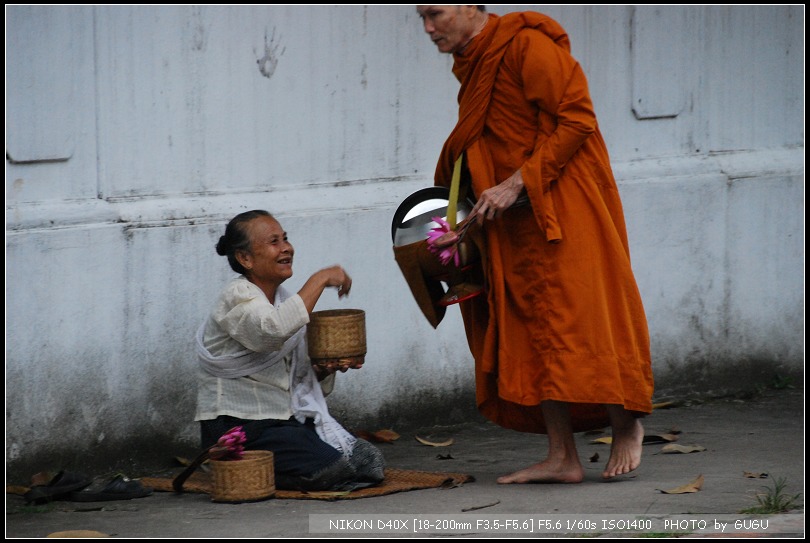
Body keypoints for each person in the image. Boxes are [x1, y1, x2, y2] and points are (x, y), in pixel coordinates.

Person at [414, 6, 654, 483]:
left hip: (561, 202)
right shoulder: (474, 60)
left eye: (435, 13)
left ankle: (626, 421)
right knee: (529, 325)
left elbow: (577, 118)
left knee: (583, 314)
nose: (428, 28)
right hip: (508, 216)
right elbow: (490, 132)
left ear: (469, 7)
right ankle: (562, 455)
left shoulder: (526, 44)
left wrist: (516, 183)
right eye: (420, 17)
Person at [194, 209, 385, 491]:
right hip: (237, 427)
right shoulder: (236, 296)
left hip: (284, 421)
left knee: (368, 461)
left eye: (285, 239)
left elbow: (293, 376)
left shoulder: (281, 300)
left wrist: (322, 370)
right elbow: (272, 331)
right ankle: (241, 467)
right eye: (274, 242)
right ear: (245, 258)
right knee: (330, 467)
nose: (286, 248)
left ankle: (271, 466)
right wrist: (319, 279)